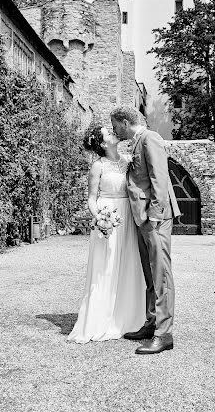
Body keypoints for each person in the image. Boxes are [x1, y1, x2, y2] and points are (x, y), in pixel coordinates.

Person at [67, 124, 146, 344]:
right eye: (108, 133)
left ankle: (129, 318)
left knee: (130, 264)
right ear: (102, 144)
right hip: (108, 216)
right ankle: (102, 318)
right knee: (106, 267)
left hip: (129, 217)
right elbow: (91, 198)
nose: (113, 133)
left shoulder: (129, 160)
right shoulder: (97, 166)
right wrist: (100, 218)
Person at [111, 106, 180, 355]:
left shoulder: (150, 138)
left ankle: (164, 334)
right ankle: (151, 323)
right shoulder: (137, 141)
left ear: (125, 122)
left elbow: (159, 180)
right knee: (150, 273)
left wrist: (154, 214)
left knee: (161, 274)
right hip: (143, 218)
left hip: (155, 218)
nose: (114, 130)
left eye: (115, 125)